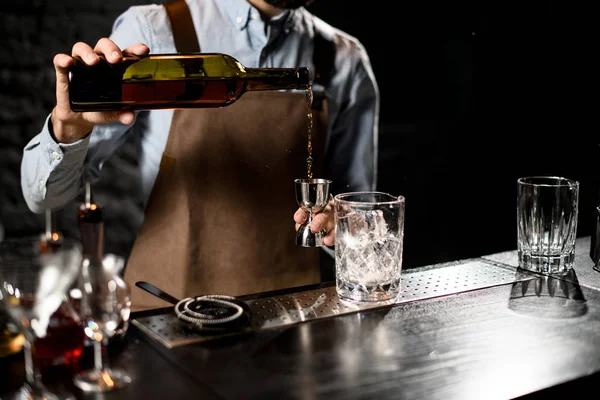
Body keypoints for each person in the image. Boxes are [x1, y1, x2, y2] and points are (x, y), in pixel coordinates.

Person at [21, 0, 379, 310]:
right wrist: (68, 130)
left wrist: (342, 220)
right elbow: (45, 198)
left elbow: (361, 223)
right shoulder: (155, 29)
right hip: (167, 312)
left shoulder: (344, 59)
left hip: (294, 315)